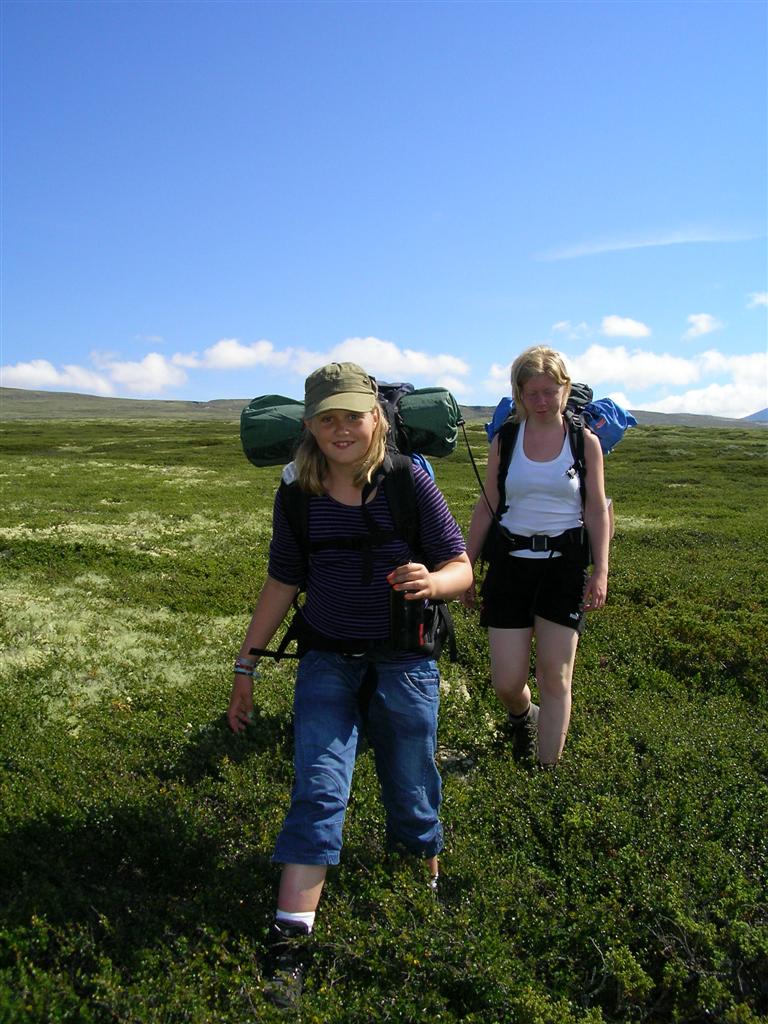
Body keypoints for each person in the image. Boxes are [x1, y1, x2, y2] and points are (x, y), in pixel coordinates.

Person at [227, 361, 472, 1006]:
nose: (342, 429)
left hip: (405, 658)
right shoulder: (296, 494)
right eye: (327, 418)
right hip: (326, 659)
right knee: (318, 787)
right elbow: (283, 581)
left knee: (411, 783)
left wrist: (433, 582)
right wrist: (245, 666)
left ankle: (418, 898)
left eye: (353, 417)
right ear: (309, 426)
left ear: (377, 419)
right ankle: (288, 946)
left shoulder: (409, 481)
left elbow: (461, 567)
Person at [462, 345, 609, 767]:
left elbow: (596, 509)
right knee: (506, 682)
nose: (542, 401)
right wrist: (466, 564)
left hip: (564, 567)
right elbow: (488, 503)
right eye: (532, 393)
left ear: (565, 389)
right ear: (520, 394)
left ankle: (546, 774)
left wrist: (601, 570)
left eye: (550, 391)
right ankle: (525, 715)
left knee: (555, 676)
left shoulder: (584, 443)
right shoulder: (506, 440)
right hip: (510, 565)